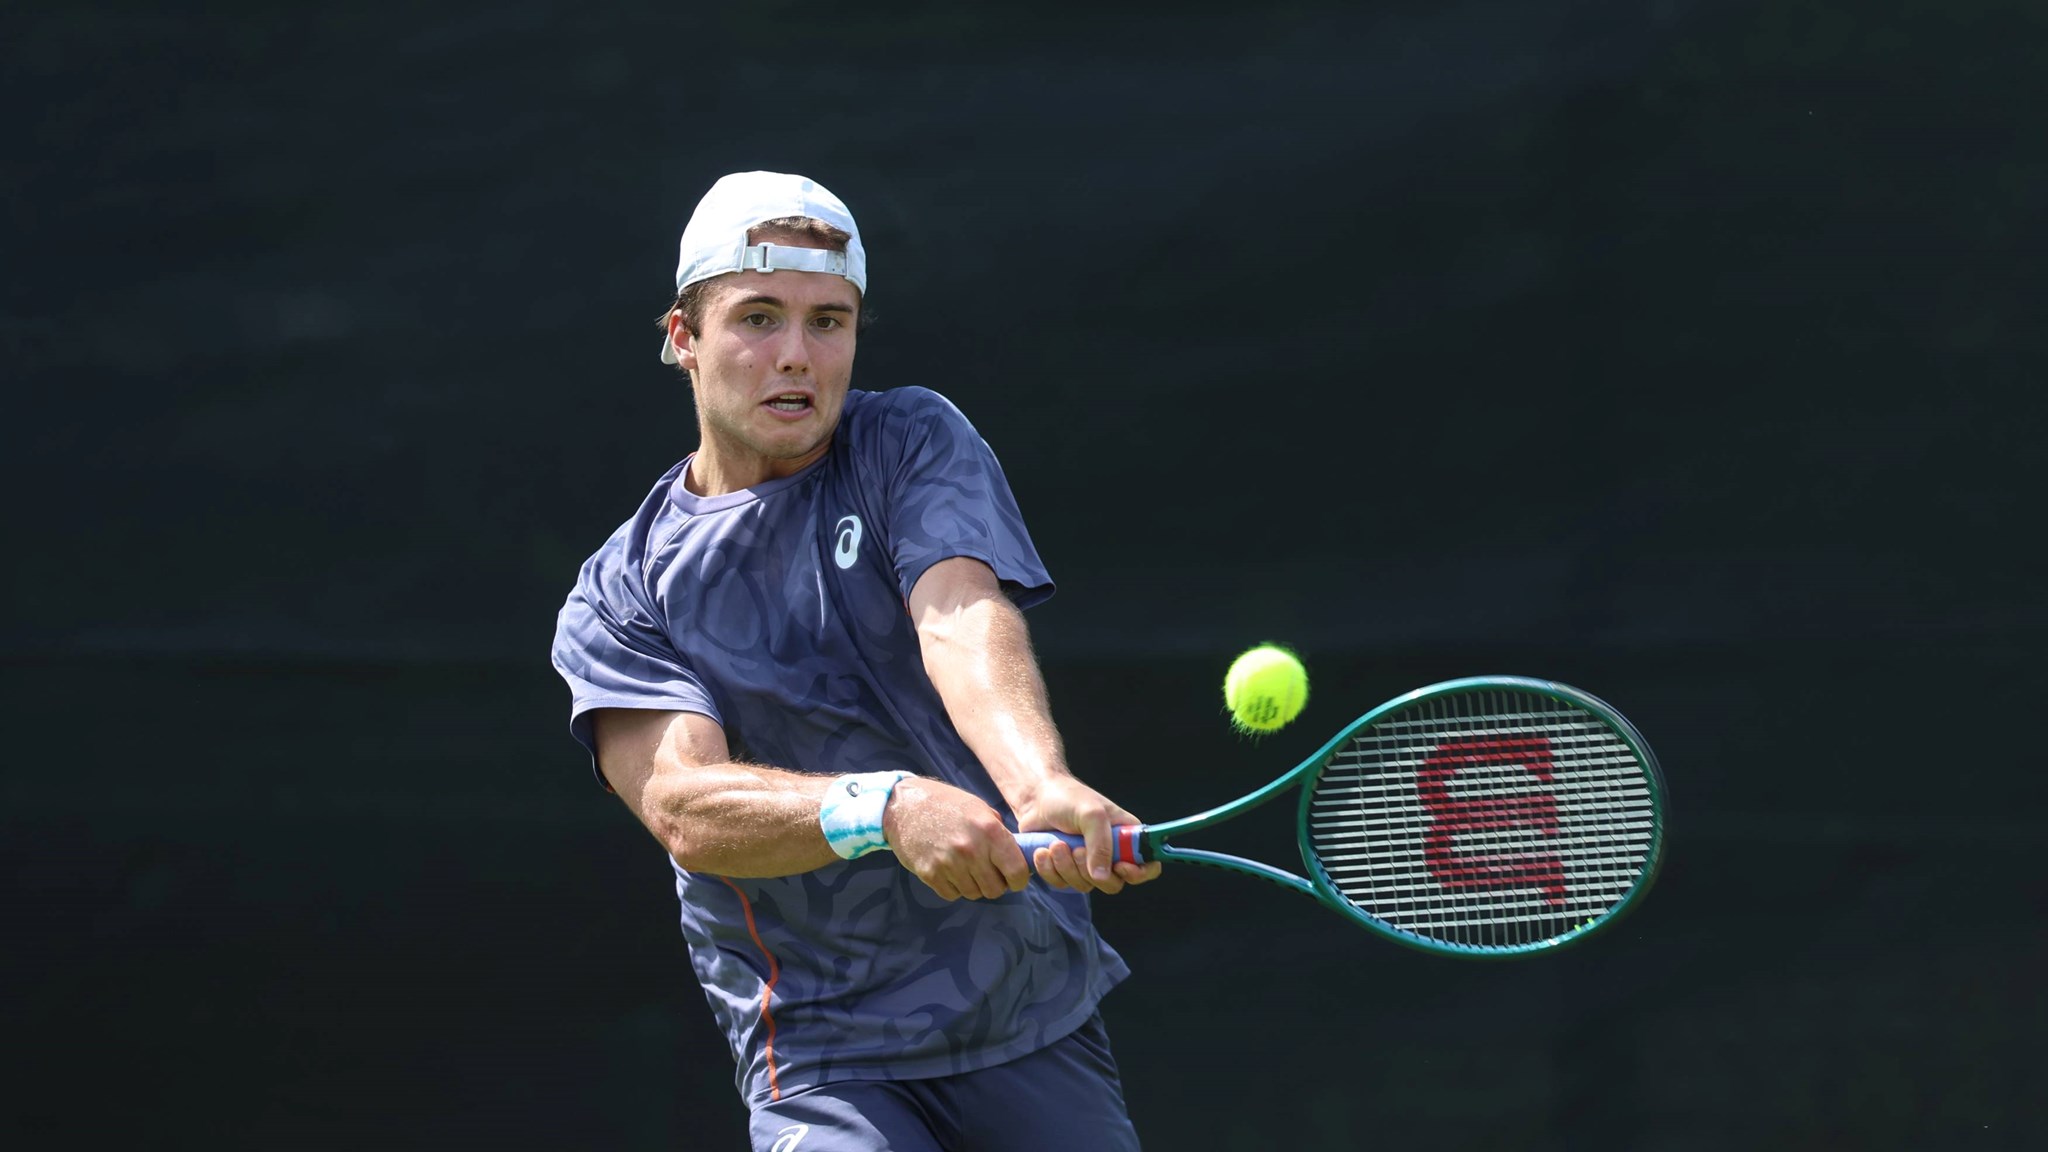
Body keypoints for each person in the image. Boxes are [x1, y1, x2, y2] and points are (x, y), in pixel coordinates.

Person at [550, 170, 1160, 1151]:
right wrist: (881, 808)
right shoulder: (619, 593)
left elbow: (958, 612)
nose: (795, 355)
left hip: (1025, 1015)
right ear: (683, 340)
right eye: (757, 317)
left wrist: (1037, 780)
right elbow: (685, 808)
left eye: (827, 321)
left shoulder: (905, 441)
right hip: (823, 1059)